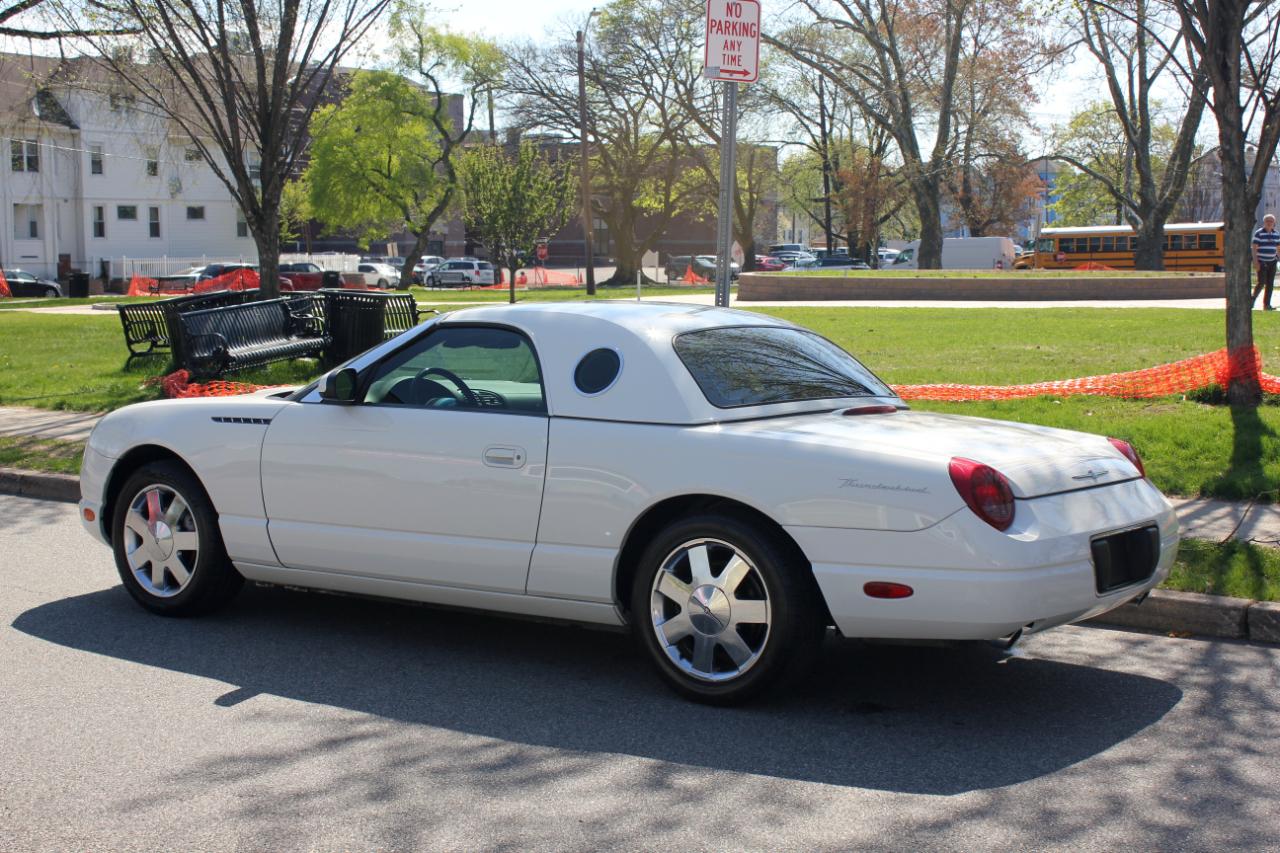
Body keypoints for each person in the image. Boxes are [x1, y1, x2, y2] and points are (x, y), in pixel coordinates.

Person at [1252, 213, 1279, 310]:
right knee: (1261, 282)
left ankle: (1267, 305)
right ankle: (1252, 300)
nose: (1269, 223)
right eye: (1267, 221)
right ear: (1264, 222)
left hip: (1272, 262)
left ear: (1274, 223)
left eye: (1271, 221)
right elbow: (1254, 248)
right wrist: (1255, 262)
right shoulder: (1259, 233)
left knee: (1270, 284)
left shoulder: (1276, 234)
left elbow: (1278, 248)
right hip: (1261, 261)